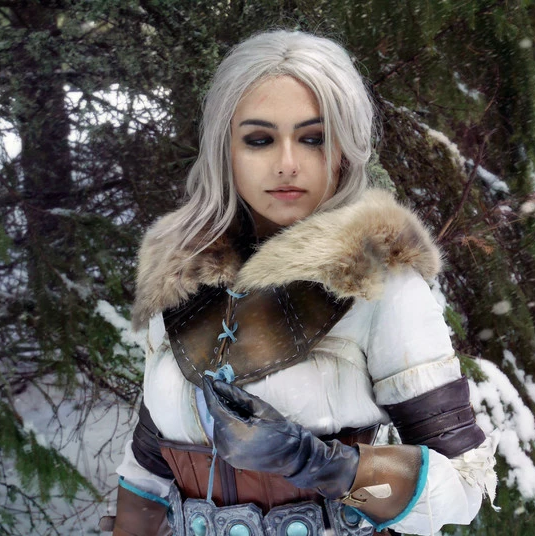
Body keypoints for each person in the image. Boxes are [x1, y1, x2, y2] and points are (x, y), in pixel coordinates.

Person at [111, 30, 497, 536]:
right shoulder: (180, 276)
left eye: (314, 138)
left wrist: (318, 464)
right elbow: (148, 463)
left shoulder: (381, 282)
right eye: (260, 139)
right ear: (225, 150)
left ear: (344, 151)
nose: (287, 164)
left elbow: (462, 493)